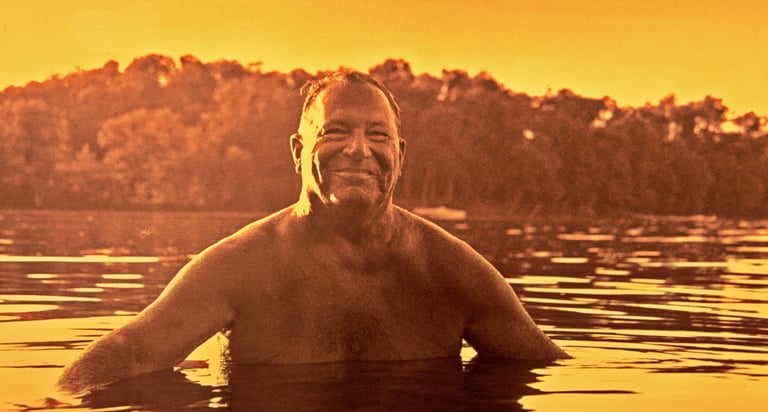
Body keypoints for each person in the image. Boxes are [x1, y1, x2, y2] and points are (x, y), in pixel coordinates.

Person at [58, 70, 568, 393]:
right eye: (336, 132)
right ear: (299, 151)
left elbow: (548, 368)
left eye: (377, 136)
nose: (358, 150)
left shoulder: (453, 270)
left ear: (400, 155)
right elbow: (125, 355)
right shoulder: (238, 266)